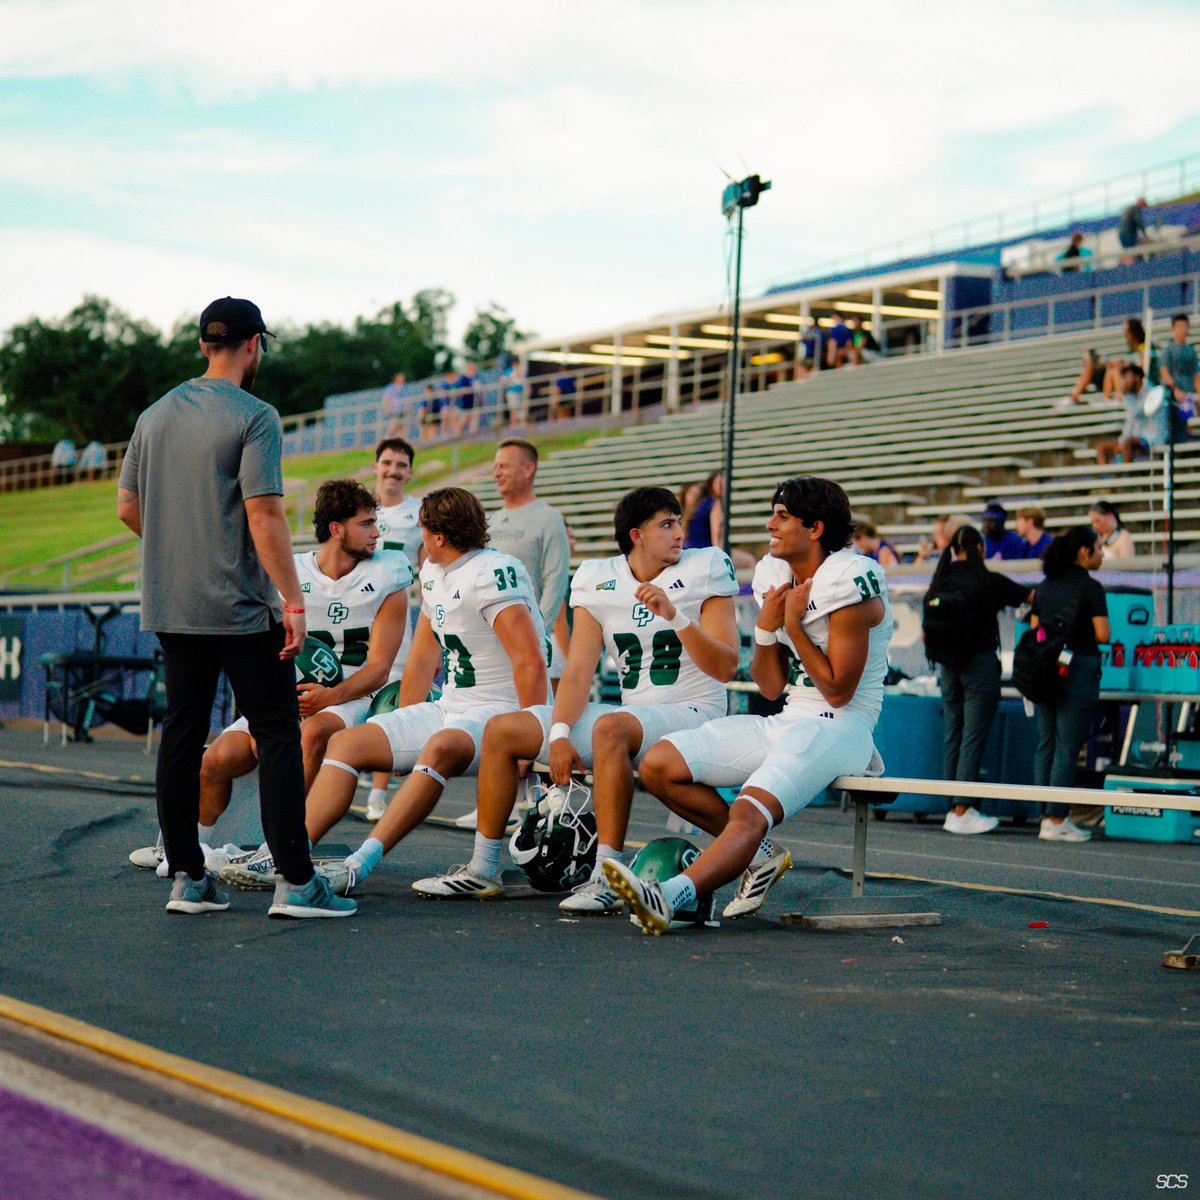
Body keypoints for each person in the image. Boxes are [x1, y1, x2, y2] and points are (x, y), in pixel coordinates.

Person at [116, 295, 352, 919]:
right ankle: (298, 884)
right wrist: (294, 601)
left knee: (182, 733)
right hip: (243, 606)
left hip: (173, 602)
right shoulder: (256, 414)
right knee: (279, 734)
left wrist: (182, 551)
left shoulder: (154, 415)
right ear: (253, 345)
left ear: (203, 344)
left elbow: (126, 506)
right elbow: (263, 512)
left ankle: (188, 878)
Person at [415, 486, 740, 904]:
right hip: (635, 716)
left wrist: (675, 616)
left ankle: (607, 875)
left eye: (678, 522)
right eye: (667, 524)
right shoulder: (598, 578)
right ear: (636, 535)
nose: (679, 533)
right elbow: (578, 672)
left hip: (695, 711)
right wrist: (561, 734)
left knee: (609, 727)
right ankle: (484, 868)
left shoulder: (707, 566)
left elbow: (726, 667)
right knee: (504, 729)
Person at [611, 476, 892, 934]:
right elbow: (769, 686)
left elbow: (839, 691)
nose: (770, 525)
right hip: (789, 717)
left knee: (747, 810)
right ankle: (759, 857)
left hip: (841, 727)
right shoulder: (777, 576)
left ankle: (670, 896)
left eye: (782, 517)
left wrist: (796, 628)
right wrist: (766, 629)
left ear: (816, 528)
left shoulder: (849, 578)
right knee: (660, 764)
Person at [132, 479, 409, 886]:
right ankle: (194, 846)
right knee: (216, 759)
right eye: (366, 523)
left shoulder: (389, 573)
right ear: (336, 528)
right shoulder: (291, 571)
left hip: (352, 696)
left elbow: (380, 667)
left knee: (312, 734)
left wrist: (329, 696)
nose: (376, 533)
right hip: (291, 692)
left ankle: (273, 850)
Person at [297, 487, 549, 896]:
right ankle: (291, 854)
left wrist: (530, 735)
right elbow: (421, 658)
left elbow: (529, 660)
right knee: (347, 743)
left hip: (500, 710)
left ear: (438, 537)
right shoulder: (433, 573)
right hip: (451, 703)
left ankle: (363, 865)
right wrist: (401, 728)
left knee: (440, 747)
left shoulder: (492, 572)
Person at [922, 525, 1031, 835]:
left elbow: (925, 632)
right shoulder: (986, 581)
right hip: (980, 665)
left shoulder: (940, 579)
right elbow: (1032, 596)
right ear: (980, 548)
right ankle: (962, 808)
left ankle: (952, 807)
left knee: (953, 734)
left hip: (947, 668)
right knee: (973, 735)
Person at [1029, 526, 1109, 841]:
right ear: (1083, 552)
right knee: (1066, 746)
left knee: (1046, 742)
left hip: (1046, 669)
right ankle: (1057, 818)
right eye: (1099, 549)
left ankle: (1045, 816)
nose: (1102, 554)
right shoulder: (1091, 587)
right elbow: (1103, 634)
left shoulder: (1045, 586)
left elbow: (1036, 631)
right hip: (1078, 669)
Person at [1095, 365, 1166, 466]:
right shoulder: (1130, 397)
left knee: (1127, 443)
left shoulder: (1151, 393)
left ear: (1137, 378)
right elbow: (1129, 424)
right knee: (1101, 447)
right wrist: (1121, 442)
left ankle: (1127, 478)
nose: (1122, 382)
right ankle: (1105, 480)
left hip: (1152, 437)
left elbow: (1138, 411)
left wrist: (1123, 443)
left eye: (1126, 377)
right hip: (1136, 438)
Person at [1161, 313, 1199, 411]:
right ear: (1173, 328)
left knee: (1185, 423)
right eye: (1179, 327)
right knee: (1174, 424)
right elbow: (1164, 372)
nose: (1182, 330)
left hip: (1187, 394)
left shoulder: (1191, 351)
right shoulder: (1169, 349)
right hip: (1172, 396)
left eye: (1185, 326)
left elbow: (1195, 375)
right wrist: (1175, 390)